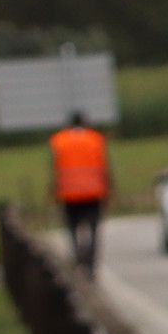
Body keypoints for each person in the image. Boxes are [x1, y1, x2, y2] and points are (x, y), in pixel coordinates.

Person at [48, 112, 112, 271]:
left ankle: (78, 257)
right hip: (93, 193)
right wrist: (109, 190)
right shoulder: (95, 139)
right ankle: (90, 262)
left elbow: (54, 168)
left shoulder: (59, 140)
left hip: (69, 194)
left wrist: (53, 190)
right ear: (85, 123)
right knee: (93, 230)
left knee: (72, 229)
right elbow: (104, 167)